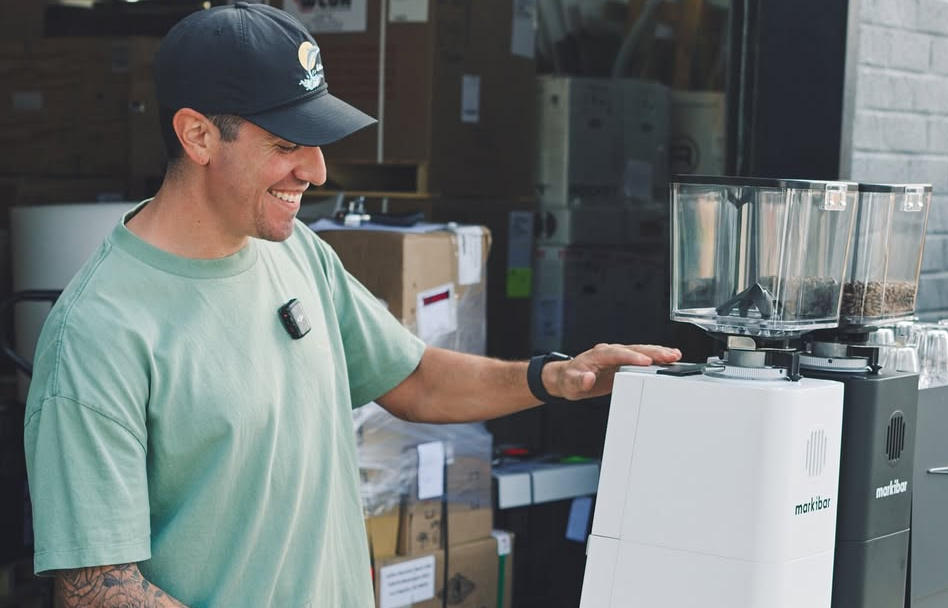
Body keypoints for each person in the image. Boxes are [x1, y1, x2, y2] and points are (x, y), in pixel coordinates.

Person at [22, 3, 681, 607]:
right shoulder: (99, 333)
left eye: (316, 142)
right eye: (286, 144)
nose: (316, 170)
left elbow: (414, 379)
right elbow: (96, 592)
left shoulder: (295, 252)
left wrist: (554, 377)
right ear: (197, 136)